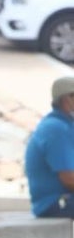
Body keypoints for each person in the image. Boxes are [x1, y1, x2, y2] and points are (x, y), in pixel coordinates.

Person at [25, 76, 74, 218]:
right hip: (54, 203)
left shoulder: (65, 126)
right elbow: (69, 179)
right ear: (67, 99)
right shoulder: (56, 129)